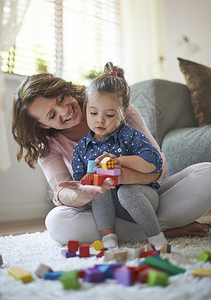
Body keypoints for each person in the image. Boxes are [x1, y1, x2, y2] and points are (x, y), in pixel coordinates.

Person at [12, 71, 211, 246]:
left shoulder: (115, 108)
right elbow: (62, 191)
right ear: (44, 125)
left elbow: (158, 167)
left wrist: (120, 175)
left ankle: (140, 230)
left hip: (144, 197)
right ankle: (159, 232)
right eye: (52, 114)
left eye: (61, 98)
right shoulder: (47, 145)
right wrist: (84, 192)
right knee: (56, 222)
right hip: (104, 212)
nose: (65, 110)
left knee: (207, 174)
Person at [72, 62, 168, 250]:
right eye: (93, 112)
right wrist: (94, 179)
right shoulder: (82, 147)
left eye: (109, 115)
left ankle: (157, 239)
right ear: (86, 109)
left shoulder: (129, 135)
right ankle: (110, 241)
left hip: (143, 198)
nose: (100, 119)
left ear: (124, 113)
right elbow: (80, 182)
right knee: (99, 190)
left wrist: (118, 162)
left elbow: (153, 163)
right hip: (110, 211)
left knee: (127, 191)